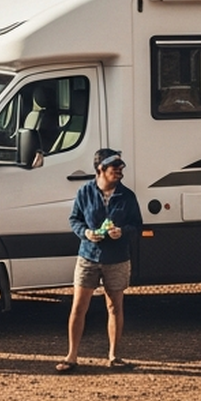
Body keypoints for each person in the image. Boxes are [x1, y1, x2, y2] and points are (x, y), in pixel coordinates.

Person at [57, 147, 141, 372]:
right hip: (88, 256)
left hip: (117, 258)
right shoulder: (85, 192)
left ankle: (114, 356)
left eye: (121, 166)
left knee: (114, 306)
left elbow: (137, 226)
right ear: (100, 169)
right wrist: (85, 233)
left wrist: (122, 232)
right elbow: (74, 219)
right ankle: (71, 355)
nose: (120, 170)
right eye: (115, 167)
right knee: (78, 306)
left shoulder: (128, 196)